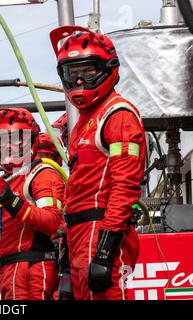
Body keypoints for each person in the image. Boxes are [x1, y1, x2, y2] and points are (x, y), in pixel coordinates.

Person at [49, 26, 146, 300]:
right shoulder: (83, 121)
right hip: (79, 234)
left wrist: (104, 251)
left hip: (100, 230)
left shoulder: (118, 116)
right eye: (72, 73)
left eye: (88, 72)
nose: (79, 82)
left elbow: (125, 186)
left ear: (107, 68)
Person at [0, 108, 65, 300]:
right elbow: (1, 237)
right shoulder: (10, 181)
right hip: (10, 273)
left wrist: (11, 200)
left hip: (34, 272)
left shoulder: (43, 174)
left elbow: (52, 221)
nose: (8, 147)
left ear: (32, 138)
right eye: (1, 141)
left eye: (15, 139)